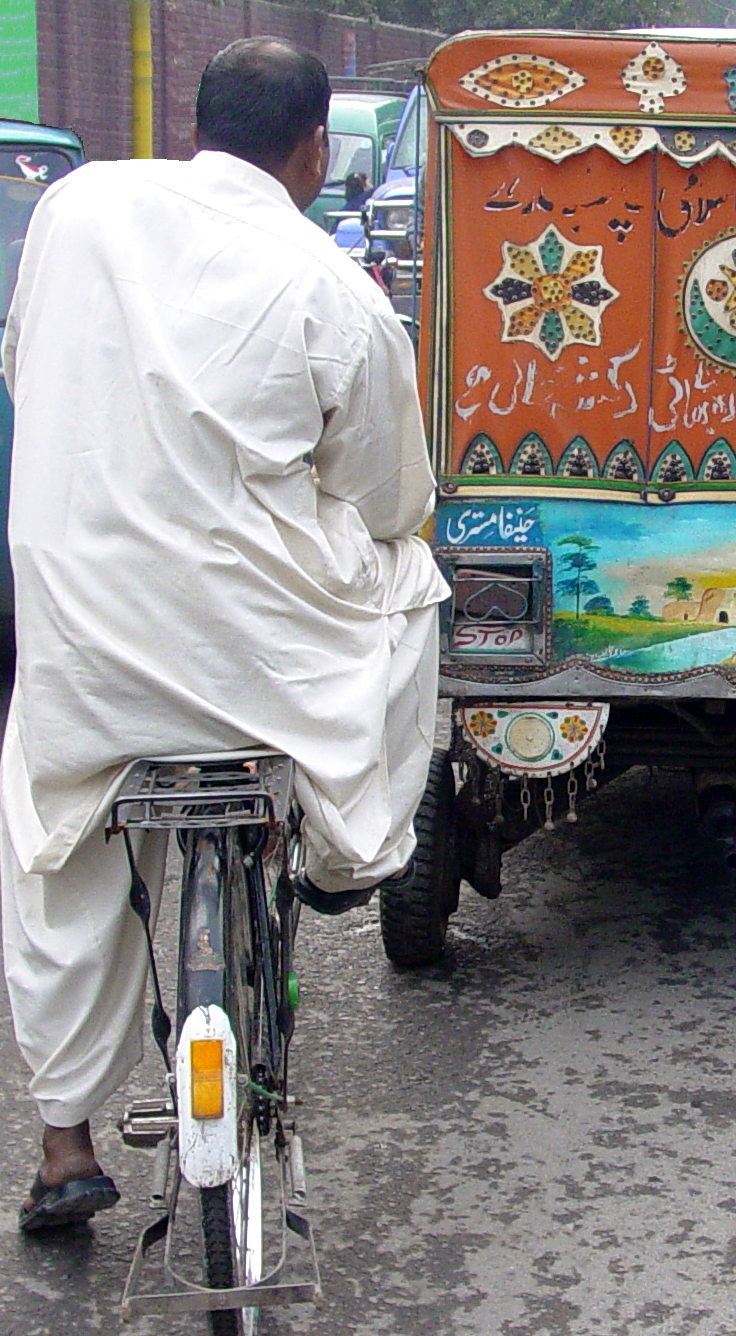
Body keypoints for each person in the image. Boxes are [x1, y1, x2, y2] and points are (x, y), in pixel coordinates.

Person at [2, 37, 448, 1231]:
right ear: (314, 150)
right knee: (414, 575)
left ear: (195, 123)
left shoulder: (77, 211)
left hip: (83, 631)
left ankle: (61, 1149)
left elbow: (21, 360)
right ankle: (351, 850)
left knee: (53, 840)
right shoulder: (336, 289)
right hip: (254, 655)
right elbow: (386, 494)